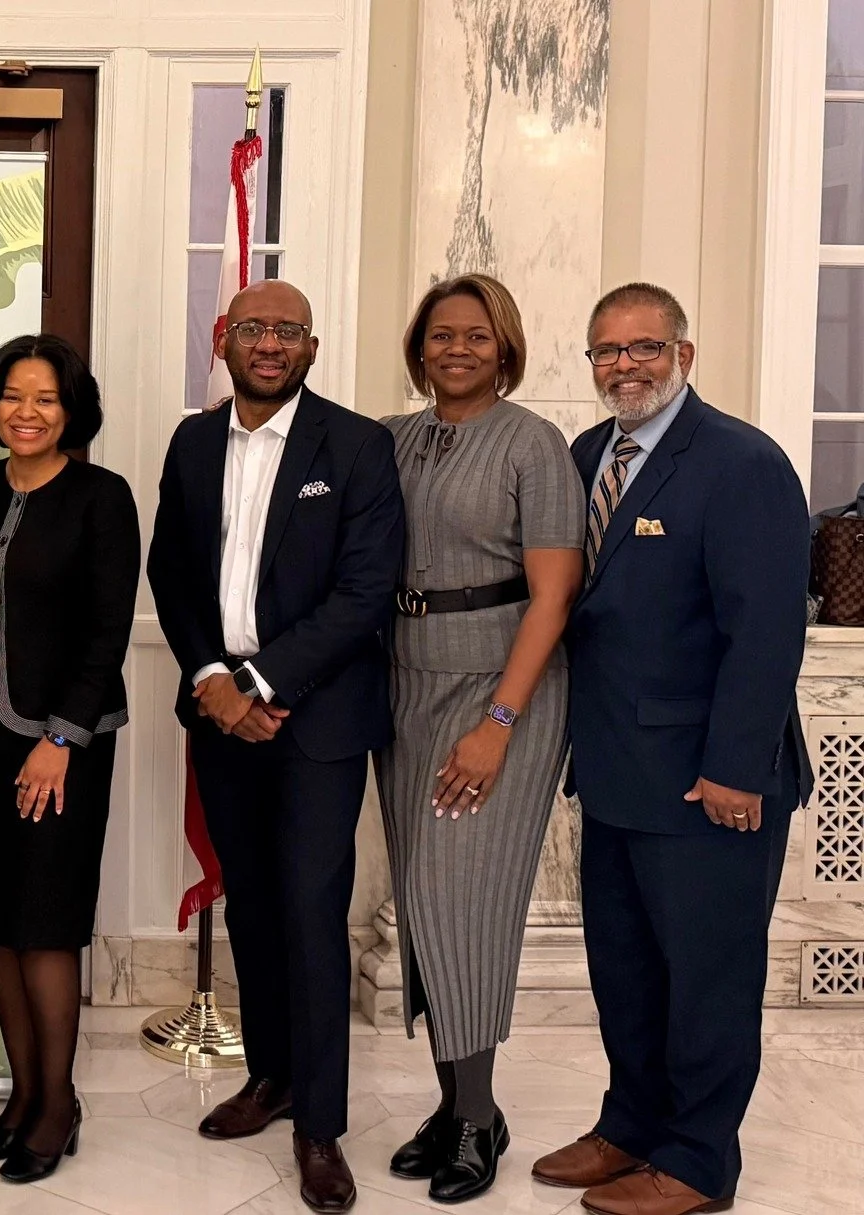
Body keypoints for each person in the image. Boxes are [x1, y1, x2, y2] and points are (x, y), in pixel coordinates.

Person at [530, 283, 810, 1215]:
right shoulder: (584, 455)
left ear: (684, 354)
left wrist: (736, 765)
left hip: (706, 783)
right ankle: (631, 1125)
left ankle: (697, 1161)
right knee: (627, 969)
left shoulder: (739, 462)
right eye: (607, 352)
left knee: (707, 979)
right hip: (612, 774)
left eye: (644, 348)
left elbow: (766, 632)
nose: (625, 366)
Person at [144, 279, 404, 1214]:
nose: (268, 344)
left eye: (287, 332)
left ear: (312, 347)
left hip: (315, 720)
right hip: (223, 711)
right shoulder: (193, 440)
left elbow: (365, 591)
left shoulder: (359, 445)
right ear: (225, 337)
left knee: (308, 910)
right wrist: (214, 680)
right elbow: (172, 570)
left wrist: (260, 682)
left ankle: (321, 1126)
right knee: (251, 902)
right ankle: (271, 1077)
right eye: (253, 328)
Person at [375, 274, 581, 1204]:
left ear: (505, 347)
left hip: (499, 692)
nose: (456, 349)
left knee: (469, 901)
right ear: (420, 346)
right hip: (406, 688)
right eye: (440, 335)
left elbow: (554, 594)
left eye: (476, 336)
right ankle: (459, 1102)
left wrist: (498, 722)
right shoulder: (393, 437)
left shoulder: (532, 444)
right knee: (424, 900)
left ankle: (475, 1117)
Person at [0, 333, 138, 1186]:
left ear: (72, 409)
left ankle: (58, 1103)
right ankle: (21, 1095)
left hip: (65, 744)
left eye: (46, 399)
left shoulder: (102, 497)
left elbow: (106, 630)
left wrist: (60, 738)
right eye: (14, 396)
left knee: (46, 923)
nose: (27, 412)